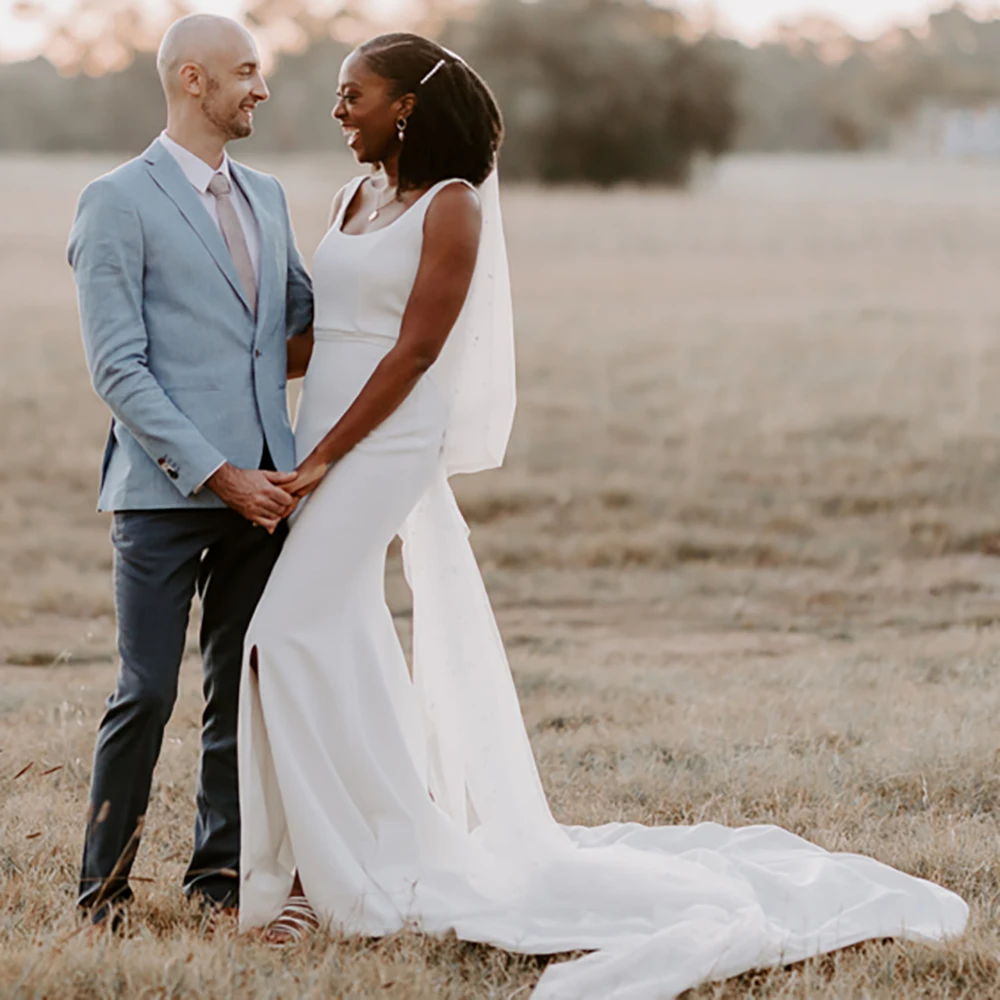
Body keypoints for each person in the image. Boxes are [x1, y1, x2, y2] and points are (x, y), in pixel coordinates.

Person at [238, 32, 967, 999]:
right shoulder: (347, 199)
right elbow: (320, 334)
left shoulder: (451, 207)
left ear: (407, 106)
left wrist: (329, 457)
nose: (338, 111)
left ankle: (327, 867)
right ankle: (362, 835)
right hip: (320, 435)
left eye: (354, 95)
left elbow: (415, 352)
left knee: (280, 635)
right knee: (345, 636)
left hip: (381, 446)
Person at [67, 14, 313, 925]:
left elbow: (289, 336)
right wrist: (218, 473)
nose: (263, 88)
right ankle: (100, 893)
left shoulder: (272, 195)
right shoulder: (114, 200)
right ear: (193, 80)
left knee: (239, 690)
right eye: (248, 72)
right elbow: (117, 368)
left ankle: (217, 881)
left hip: (268, 489)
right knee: (147, 690)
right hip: (166, 492)